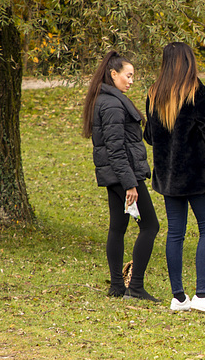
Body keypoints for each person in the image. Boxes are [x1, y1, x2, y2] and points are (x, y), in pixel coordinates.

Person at [144, 42, 205, 316]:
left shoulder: (153, 93)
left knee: (176, 233)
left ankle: (178, 297)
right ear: (187, 61)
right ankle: (202, 294)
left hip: (168, 177)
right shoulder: (195, 90)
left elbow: (149, 137)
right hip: (196, 174)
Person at [81, 51, 160, 302]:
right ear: (113, 74)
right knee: (150, 226)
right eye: (128, 75)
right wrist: (130, 184)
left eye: (133, 76)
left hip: (114, 176)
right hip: (123, 177)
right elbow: (115, 149)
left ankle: (117, 286)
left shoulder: (105, 100)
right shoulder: (113, 104)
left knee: (118, 227)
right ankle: (135, 286)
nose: (131, 80)